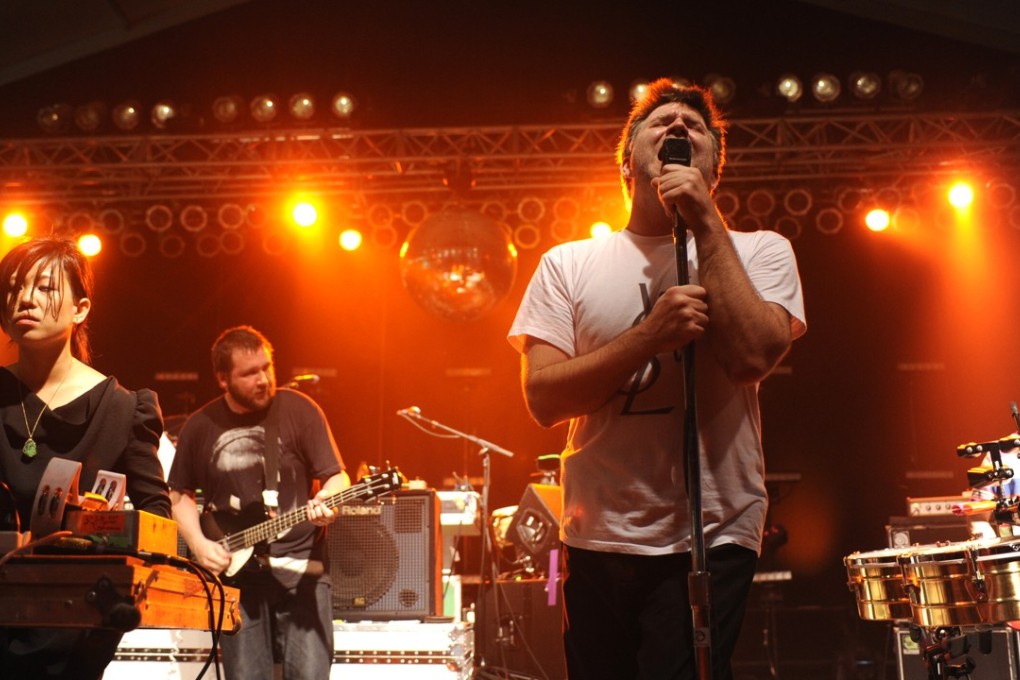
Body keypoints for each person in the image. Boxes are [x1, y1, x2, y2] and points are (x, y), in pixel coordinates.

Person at [508, 78, 807, 679]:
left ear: (713, 167)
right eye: (660, 123)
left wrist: (703, 219)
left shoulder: (760, 251)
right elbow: (543, 398)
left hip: (714, 529)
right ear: (627, 162)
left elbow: (754, 356)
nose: (677, 128)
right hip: (600, 529)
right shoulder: (567, 263)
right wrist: (649, 336)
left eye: (694, 128)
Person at [0, 237, 171, 679]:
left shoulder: (123, 408)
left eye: (44, 287)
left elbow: (156, 518)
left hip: (78, 623)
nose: (25, 299)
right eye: (13, 288)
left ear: (80, 309)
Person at [168, 325, 349, 680]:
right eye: (249, 373)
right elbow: (178, 495)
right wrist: (199, 544)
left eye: (266, 367)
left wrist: (328, 499)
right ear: (223, 379)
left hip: (304, 574)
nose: (263, 379)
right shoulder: (200, 427)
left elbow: (336, 475)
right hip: (239, 580)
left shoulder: (300, 410)